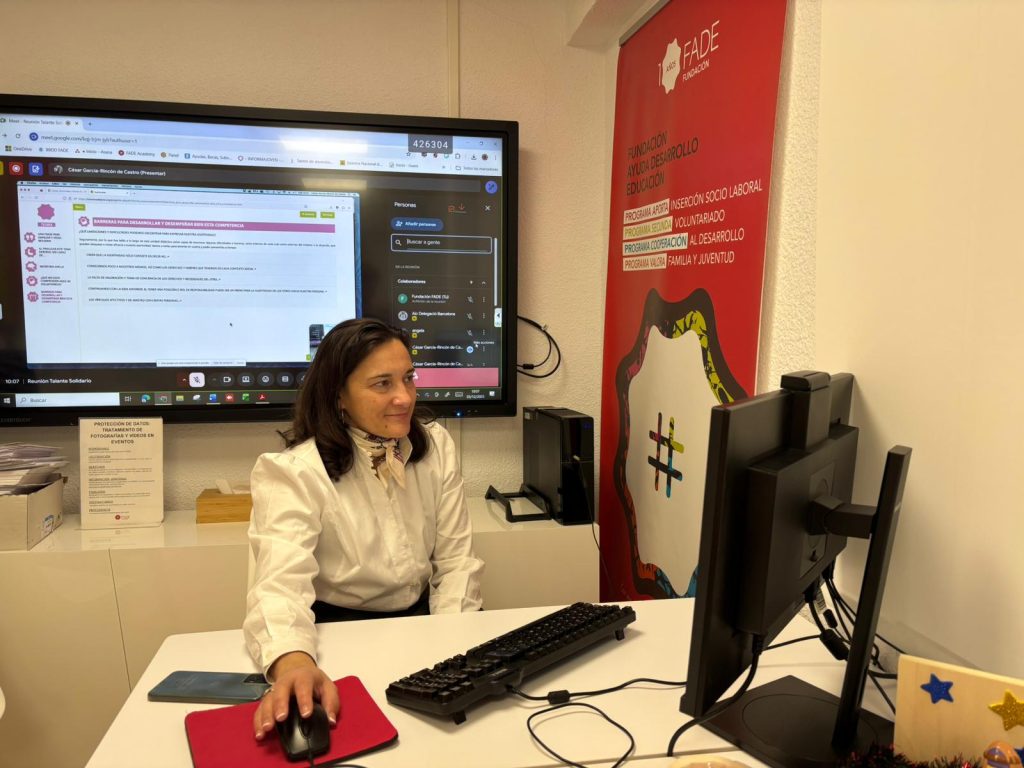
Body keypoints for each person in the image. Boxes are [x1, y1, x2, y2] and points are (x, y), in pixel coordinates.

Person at [243, 317, 484, 742]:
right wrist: (295, 662)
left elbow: (455, 563)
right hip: (339, 635)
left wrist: (453, 649)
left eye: (408, 378)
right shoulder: (293, 472)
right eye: (382, 384)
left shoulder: (436, 446)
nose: (404, 397)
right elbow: (278, 588)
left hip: (426, 625)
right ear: (338, 395)